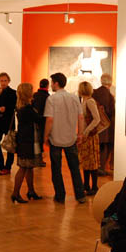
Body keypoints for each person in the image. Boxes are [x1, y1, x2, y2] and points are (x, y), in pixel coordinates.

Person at [43, 72, 87, 204]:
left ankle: (60, 196)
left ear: (56, 83)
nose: (51, 85)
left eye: (52, 82)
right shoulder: (74, 98)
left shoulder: (51, 99)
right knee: (75, 168)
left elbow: (50, 120)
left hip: (55, 138)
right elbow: (81, 117)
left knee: (56, 169)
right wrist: (80, 134)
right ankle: (80, 195)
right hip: (71, 138)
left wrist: (45, 135)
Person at [11, 83, 44, 203]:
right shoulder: (27, 109)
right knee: (24, 168)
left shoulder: (21, 107)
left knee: (29, 167)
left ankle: (31, 191)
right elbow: (39, 119)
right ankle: (15, 193)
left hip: (24, 141)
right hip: (27, 142)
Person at [0, 72, 17, 175]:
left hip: (9, 122)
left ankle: (7, 167)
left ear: (8, 81)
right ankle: (0, 165)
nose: (3, 82)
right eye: (1, 81)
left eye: (5, 80)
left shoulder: (13, 92)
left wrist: (6, 108)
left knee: (10, 145)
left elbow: (15, 106)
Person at [78, 81, 101, 195]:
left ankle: (94, 186)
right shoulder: (84, 101)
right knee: (87, 162)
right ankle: (86, 184)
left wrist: (86, 131)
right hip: (86, 135)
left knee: (92, 162)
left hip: (90, 136)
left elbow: (97, 119)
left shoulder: (90, 101)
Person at [92, 73, 115, 177]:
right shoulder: (108, 95)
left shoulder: (94, 92)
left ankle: (96, 167)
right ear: (110, 82)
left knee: (97, 147)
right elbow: (109, 111)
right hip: (106, 126)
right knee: (105, 147)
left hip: (96, 125)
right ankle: (101, 168)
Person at [32, 78, 50, 167]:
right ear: (47, 86)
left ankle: (35, 159)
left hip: (34, 120)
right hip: (43, 121)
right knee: (41, 141)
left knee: (35, 141)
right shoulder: (48, 97)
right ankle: (39, 160)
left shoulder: (34, 95)